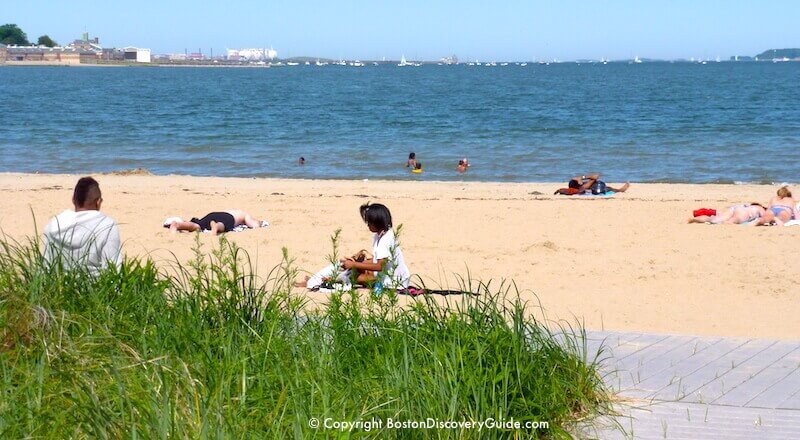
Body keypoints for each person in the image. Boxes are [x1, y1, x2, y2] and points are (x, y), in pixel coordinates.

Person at [295, 203, 411, 290]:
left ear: (377, 222)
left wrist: (354, 264)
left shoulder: (386, 239)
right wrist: (356, 261)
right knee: (347, 266)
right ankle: (316, 279)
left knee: (351, 275)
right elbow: (380, 261)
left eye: (369, 223)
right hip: (385, 275)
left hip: (392, 281)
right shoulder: (379, 236)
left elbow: (380, 265)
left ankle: (314, 282)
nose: (367, 225)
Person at [43, 176, 122, 276]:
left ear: (73, 200)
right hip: (94, 289)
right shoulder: (107, 225)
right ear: (98, 202)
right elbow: (113, 270)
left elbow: (46, 266)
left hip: (60, 288)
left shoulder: (53, 224)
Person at [166, 210, 265, 235]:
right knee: (222, 225)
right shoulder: (244, 214)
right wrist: (260, 223)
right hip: (227, 217)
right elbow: (253, 225)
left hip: (212, 215)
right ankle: (215, 227)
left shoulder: (234, 211)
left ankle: (178, 225)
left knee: (198, 226)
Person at [688, 203, 774, 225]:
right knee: (736, 220)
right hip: (745, 212)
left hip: (735, 207)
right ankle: (728, 222)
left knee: (713, 219)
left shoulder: (748, 205)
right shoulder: (760, 208)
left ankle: (696, 219)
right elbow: (766, 217)